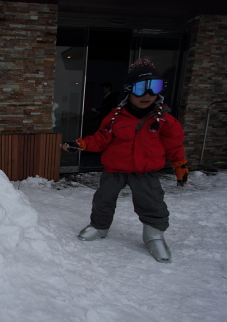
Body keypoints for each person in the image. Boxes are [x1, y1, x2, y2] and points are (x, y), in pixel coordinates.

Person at [61, 59, 189, 263]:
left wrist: (179, 163)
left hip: (145, 171)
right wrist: (82, 144)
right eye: (140, 89)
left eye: (153, 88)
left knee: (152, 202)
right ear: (129, 90)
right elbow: (101, 138)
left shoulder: (164, 119)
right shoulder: (115, 117)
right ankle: (99, 227)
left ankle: (154, 235)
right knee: (104, 199)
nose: (147, 95)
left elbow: (174, 144)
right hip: (115, 168)